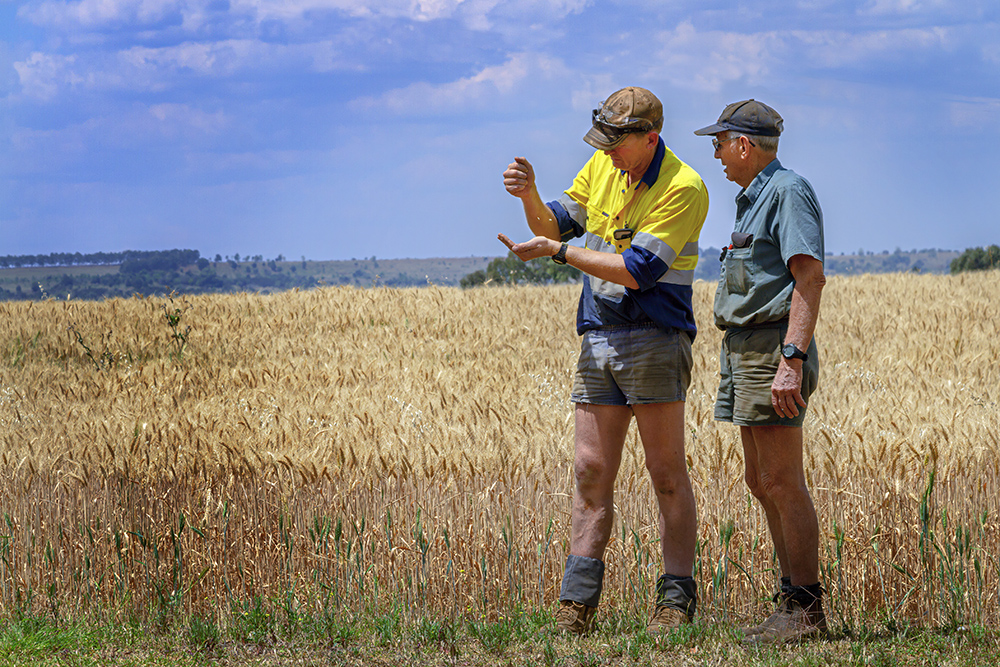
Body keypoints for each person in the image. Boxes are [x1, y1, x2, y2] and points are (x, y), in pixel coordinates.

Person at [500, 87, 709, 635]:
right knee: (590, 471)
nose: (608, 153)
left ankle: (675, 603)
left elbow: (638, 270)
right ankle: (576, 605)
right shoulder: (602, 164)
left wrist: (560, 253)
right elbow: (552, 228)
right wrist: (531, 195)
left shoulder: (684, 187)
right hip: (598, 337)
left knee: (665, 474)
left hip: (656, 337)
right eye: (604, 143)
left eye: (617, 143)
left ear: (651, 138)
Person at [693, 99, 827, 643]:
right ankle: (791, 599)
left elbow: (809, 278)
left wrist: (791, 360)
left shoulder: (788, 193)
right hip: (746, 351)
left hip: (774, 349)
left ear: (743, 144)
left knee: (781, 481)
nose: (717, 154)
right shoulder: (753, 199)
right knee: (759, 480)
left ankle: (806, 608)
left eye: (719, 143)